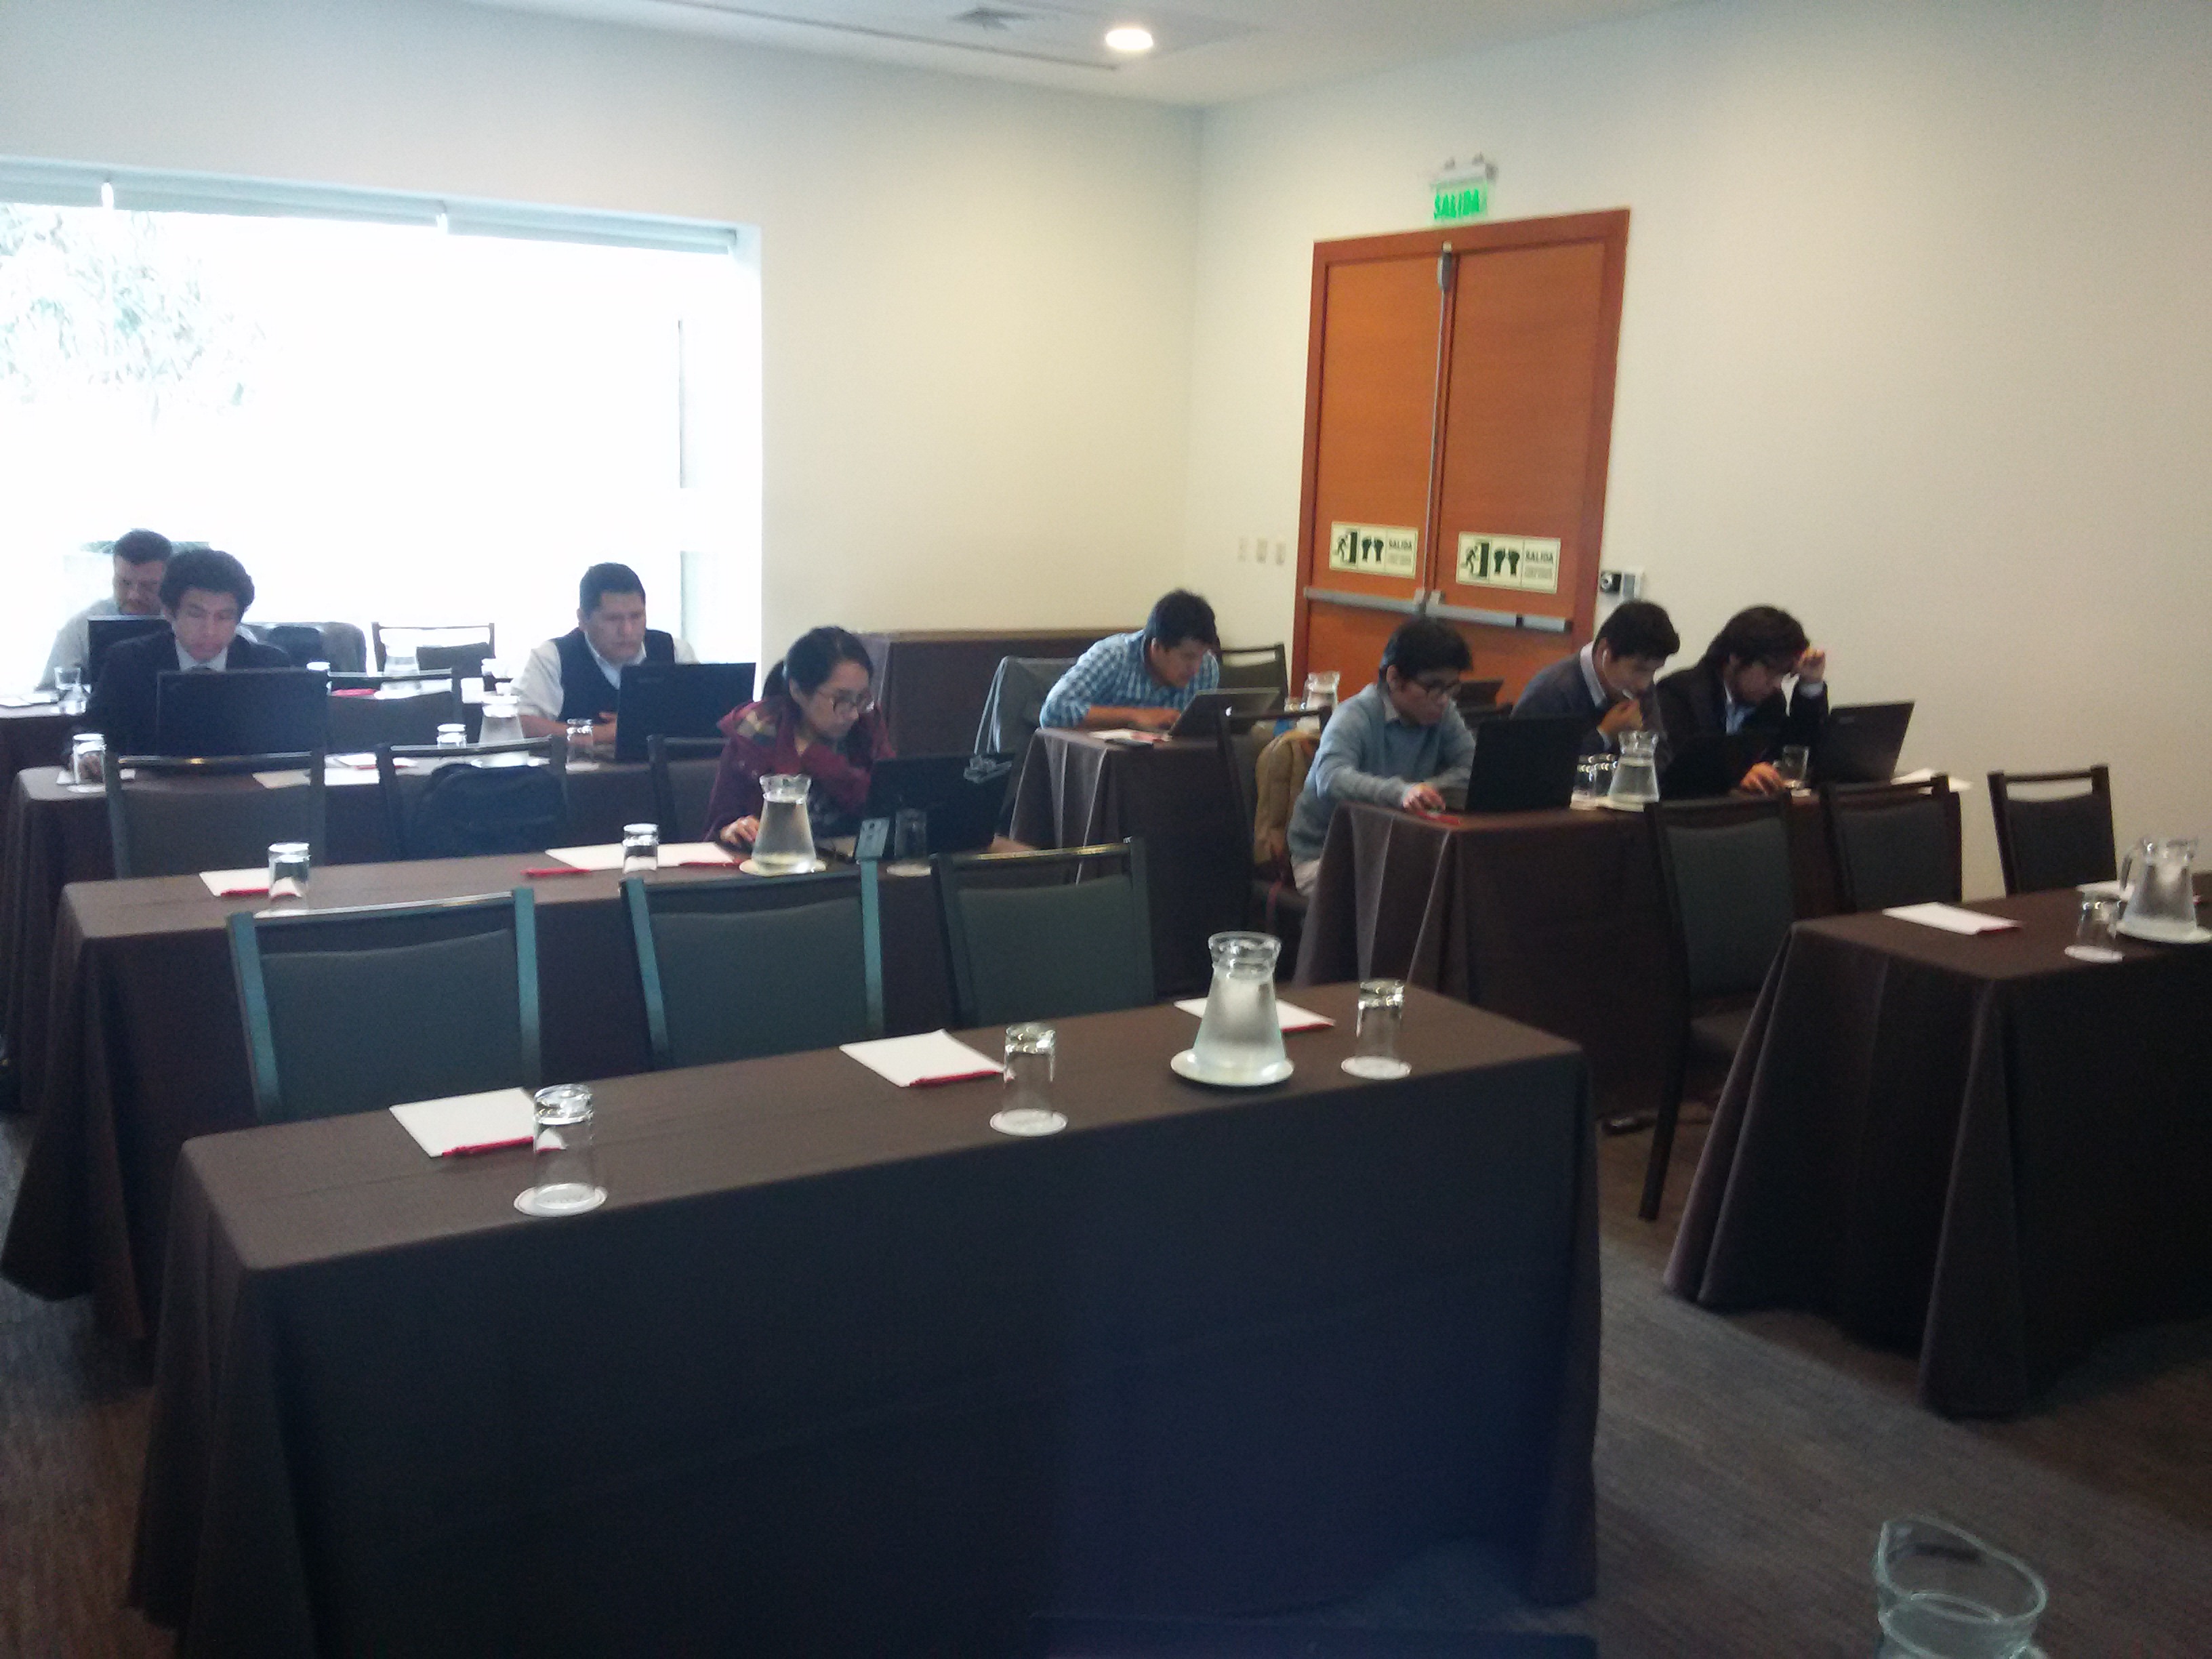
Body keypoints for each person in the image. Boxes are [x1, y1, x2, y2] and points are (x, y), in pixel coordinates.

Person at [1285, 617, 1476, 894]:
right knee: (1411, 894)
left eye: (1451, 688)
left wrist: (1425, 790)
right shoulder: (1356, 715)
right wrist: (1402, 793)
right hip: (1327, 857)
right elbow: (1331, 778)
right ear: (1394, 678)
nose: (1444, 699)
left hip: (1397, 852)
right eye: (1433, 687)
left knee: (1460, 885)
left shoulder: (1443, 714)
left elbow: (1472, 768)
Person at [83, 547, 293, 754]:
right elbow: (89, 730)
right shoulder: (128, 662)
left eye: (224, 617)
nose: (209, 631)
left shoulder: (269, 666)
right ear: (169, 612)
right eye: (196, 615)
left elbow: (298, 743)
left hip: (246, 777)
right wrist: (88, 752)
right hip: (152, 777)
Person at [705, 626, 893, 848]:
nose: (853, 713)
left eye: (861, 698)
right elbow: (719, 827)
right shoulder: (755, 734)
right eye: (841, 699)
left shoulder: (866, 724)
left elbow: (886, 804)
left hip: (851, 863)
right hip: (773, 864)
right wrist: (732, 829)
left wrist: (819, 759)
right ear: (798, 691)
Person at [514, 562, 697, 747]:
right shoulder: (553, 657)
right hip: (579, 767)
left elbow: (704, 717)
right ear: (582, 619)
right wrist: (606, 733)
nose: (627, 630)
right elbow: (524, 726)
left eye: (636, 616)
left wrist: (628, 729)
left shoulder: (675, 652)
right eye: (613, 619)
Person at [1652, 605, 1829, 796]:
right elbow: (1675, 774)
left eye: (1784, 675)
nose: (1777, 685)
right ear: (1736, 658)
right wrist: (1736, 775)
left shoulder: (1771, 702)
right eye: (1770, 672)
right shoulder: (1679, 694)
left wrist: (1810, 684)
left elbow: (1798, 755)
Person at [1513, 600, 1681, 756]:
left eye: (1653, 671)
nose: (1644, 684)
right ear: (1604, 652)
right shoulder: (1551, 693)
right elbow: (1531, 765)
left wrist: (1638, 743)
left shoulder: (1639, 686)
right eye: (1638, 669)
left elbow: (1661, 753)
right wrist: (1604, 735)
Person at [1038, 590, 1221, 731]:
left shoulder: (1208, 668)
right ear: (1157, 647)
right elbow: (1053, 712)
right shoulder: (1113, 656)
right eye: (1188, 657)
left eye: (1202, 655)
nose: (1196, 668)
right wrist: (1134, 716)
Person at [41, 529, 173, 690]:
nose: (134, 595)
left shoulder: (186, 622)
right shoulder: (81, 627)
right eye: (124, 583)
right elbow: (50, 691)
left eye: (148, 586)